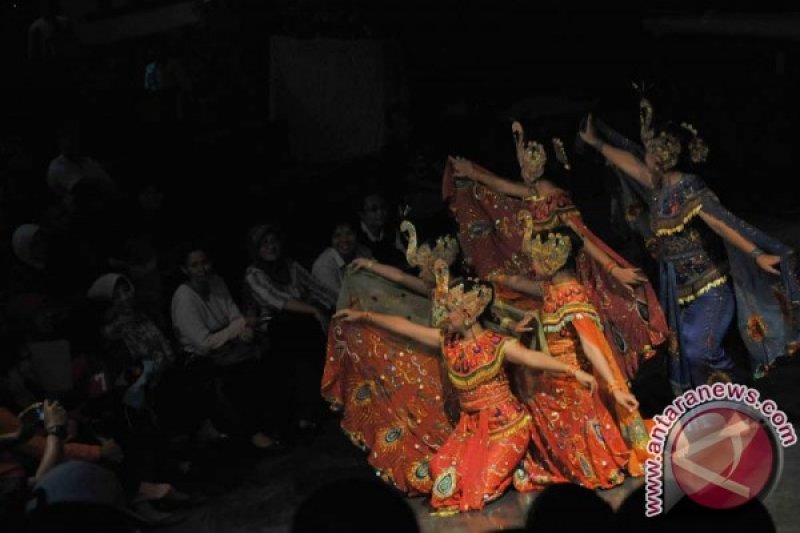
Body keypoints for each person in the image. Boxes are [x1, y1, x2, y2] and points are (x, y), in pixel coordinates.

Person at [335, 259, 597, 513]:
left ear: (469, 312)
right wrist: (365, 315)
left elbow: (533, 358)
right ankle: (515, 467)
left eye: (450, 310)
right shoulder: (448, 343)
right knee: (442, 482)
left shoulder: (499, 344)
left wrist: (572, 371)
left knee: (479, 489)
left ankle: (521, 466)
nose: (442, 315)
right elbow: (407, 328)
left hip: (507, 429)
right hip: (470, 430)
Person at [580, 99, 800, 391]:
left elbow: (722, 222)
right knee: (683, 351)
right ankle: (711, 409)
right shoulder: (657, 186)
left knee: (700, 349)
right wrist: (595, 142)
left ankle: (740, 400)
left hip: (712, 287)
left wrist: (757, 254)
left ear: (661, 157)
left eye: (648, 151)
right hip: (680, 291)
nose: (642, 156)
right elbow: (629, 164)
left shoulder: (689, 187)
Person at [445, 120, 668, 382]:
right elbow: (502, 186)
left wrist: (613, 269)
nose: (523, 163)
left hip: (572, 272)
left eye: (529, 156)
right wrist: (471, 173)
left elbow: (582, 238)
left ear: (541, 161)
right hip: (546, 275)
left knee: (593, 332)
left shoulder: (555, 197)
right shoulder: (533, 193)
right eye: (521, 154)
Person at [321, 221, 460, 494]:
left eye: (423, 266)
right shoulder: (437, 288)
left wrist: (367, 316)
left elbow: (427, 332)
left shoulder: (457, 292)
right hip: (438, 352)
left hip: (452, 359)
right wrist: (370, 266)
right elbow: (399, 277)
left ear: (438, 266)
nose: (418, 271)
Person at [509, 221, 651, 487]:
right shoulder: (552, 290)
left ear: (553, 261)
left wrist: (614, 387)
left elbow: (591, 346)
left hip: (572, 382)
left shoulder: (572, 297)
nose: (532, 267)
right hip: (554, 374)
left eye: (537, 261)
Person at [171, 245, 279, 450]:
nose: (202, 269)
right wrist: (238, 327)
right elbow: (203, 343)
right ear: (185, 270)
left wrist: (242, 328)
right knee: (236, 376)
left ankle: (274, 420)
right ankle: (252, 432)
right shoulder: (184, 298)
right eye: (195, 265)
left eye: (204, 263)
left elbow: (234, 316)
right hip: (200, 357)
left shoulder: (217, 281)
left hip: (228, 344)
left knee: (264, 351)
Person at [244, 224, 335, 432]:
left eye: (273, 241)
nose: (271, 247)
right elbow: (277, 301)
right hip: (272, 329)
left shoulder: (290, 266)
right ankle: (305, 413)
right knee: (296, 330)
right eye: (264, 244)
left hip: (302, 323)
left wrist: (343, 306)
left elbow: (317, 289)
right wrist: (313, 310)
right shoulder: (253, 274)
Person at [311, 220, 372, 296]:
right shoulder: (323, 267)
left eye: (349, 234)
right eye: (337, 236)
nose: (344, 240)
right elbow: (339, 301)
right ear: (330, 239)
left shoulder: (364, 253)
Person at [356, 193, 406, 268]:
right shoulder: (354, 235)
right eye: (374, 209)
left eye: (382, 207)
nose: (380, 213)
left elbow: (405, 258)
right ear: (362, 214)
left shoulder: (392, 231)